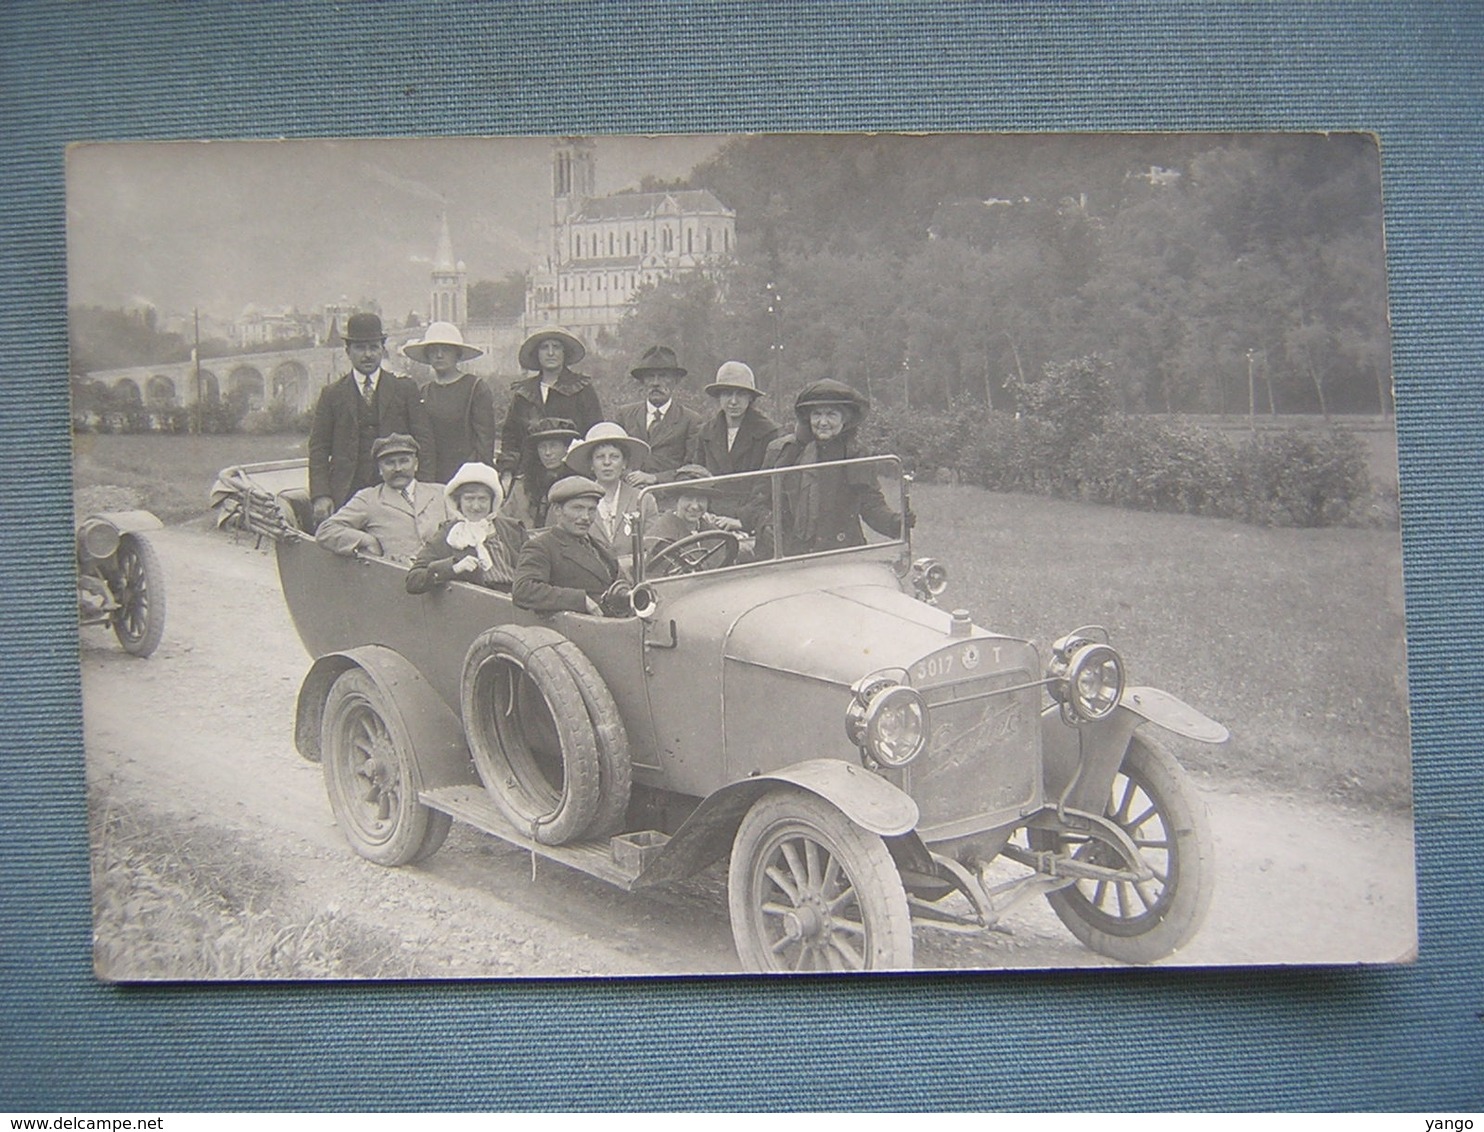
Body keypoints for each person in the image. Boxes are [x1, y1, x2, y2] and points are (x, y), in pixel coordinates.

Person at [751, 379, 911, 556]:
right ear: (807, 418)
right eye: (817, 414)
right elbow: (757, 502)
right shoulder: (783, 451)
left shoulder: (855, 454)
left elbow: (870, 504)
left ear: (845, 419)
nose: (823, 422)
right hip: (788, 554)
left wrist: (896, 522)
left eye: (831, 414)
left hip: (841, 553)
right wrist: (766, 524)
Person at [308, 312, 436, 527]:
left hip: (396, 488)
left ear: (382, 349)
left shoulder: (404, 389)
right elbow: (319, 448)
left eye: (373, 347)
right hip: (346, 490)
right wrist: (321, 495)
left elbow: (425, 442)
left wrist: (423, 489)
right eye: (360, 348)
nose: (367, 355)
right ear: (348, 351)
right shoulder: (332, 394)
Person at [496, 326, 603, 493]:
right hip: (530, 476)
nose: (551, 353)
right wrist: (507, 473)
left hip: (573, 474)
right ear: (537, 354)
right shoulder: (524, 393)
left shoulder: (581, 388)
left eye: (556, 347)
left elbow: (594, 431)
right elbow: (511, 436)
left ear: (564, 352)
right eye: (544, 347)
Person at [316, 433, 450, 563]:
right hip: (397, 578)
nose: (398, 469)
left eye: (404, 461)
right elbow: (326, 531)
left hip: (445, 577)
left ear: (416, 464)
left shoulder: (441, 493)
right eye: (389, 463)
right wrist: (366, 540)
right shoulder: (368, 498)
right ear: (380, 469)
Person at [512, 476, 630, 616]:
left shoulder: (599, 546)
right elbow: (523, 590)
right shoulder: (540, 546)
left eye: (591, 510)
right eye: (577, 508)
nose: (586, 517)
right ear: (557, 510)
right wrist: (580, 600)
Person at [405, 462, 526, 594]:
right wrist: (454, 568)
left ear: (493, 501)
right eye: (469, 499)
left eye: (482, 499)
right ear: (458, 502)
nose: (475, 506)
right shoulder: (450, 533)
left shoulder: (512, 529)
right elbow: (413, 580)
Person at [403, 321, 497, 483]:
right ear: (427, 355)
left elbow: (484, 442)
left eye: (445, 350)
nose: (439, 355)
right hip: (432, 475)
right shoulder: (424, 391)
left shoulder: (475, 388)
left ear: (457, 354)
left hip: (466, 475)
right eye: (434, 350)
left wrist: (478, 478)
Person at [688, 360, 781, 520]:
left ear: (750, 397)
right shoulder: (706, 432)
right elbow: (698, 477)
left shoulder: (767, 432)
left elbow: (766, 488)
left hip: (750, 516)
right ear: (718, 396)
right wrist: (705, 512)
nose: (733, 401)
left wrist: (742, 520)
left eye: (741, 394)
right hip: (712, 514)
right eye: (727, 393)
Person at [562, 421, 658, 567]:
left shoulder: (643, 499)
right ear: (591, 465)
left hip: (635, 577)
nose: (607, 463)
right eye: (600, 457)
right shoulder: (575, 501)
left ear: (624, 463)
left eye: (614, 457)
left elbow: (652, 547)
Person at [614, 345, 703, 486]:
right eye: (650, 377)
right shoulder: (624, 416)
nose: (655, 383)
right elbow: (613, 458)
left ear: (676, 381)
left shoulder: (691, 421)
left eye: (663, 376)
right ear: (643, 381)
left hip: (670, 497)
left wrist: (655, 478)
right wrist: (630, 477)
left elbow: (693, 469)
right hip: (629, 494)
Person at [499, 416, 581, 531]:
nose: (547, 453)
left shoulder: (576, 484)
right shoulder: (522, 485)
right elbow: (504, 520)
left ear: (565, 448)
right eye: (542, 447)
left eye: (553, 446)